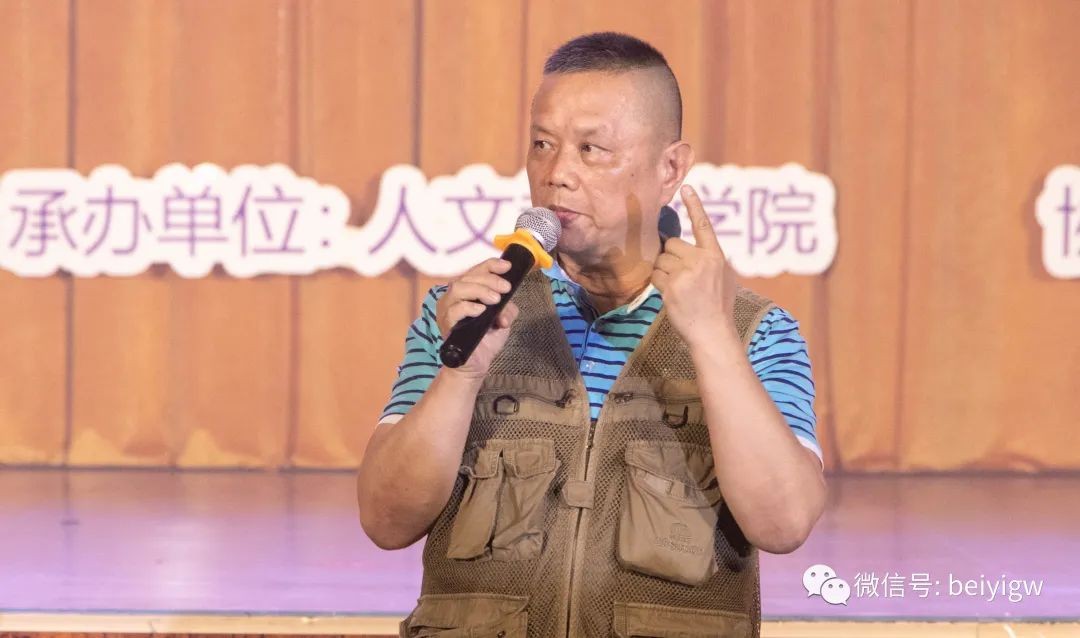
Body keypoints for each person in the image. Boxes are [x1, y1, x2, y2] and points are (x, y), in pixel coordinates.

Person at [357, 32, 826, 638]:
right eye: (542, 145)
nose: (557, 175)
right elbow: (386, 521)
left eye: (591, 149)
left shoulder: (757, 331)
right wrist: (461, 375)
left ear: (670, 168)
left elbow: (784, 524)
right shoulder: (462, 317)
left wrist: (712, 338)